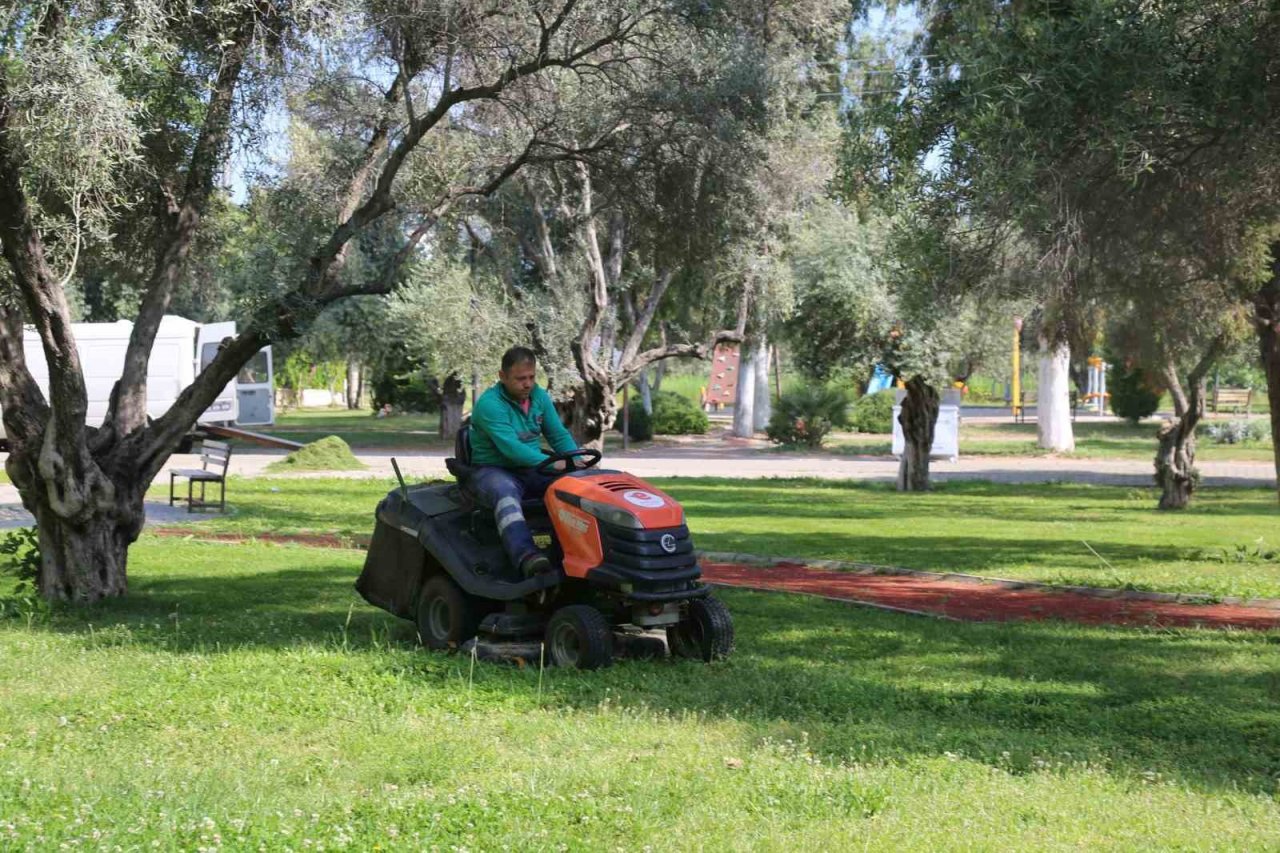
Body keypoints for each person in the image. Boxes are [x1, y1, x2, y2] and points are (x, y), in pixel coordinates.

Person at [468, 346, 583, 577]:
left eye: (531, 377)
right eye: (520, 379)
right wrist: (554, 464)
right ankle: (527, 557)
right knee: (505, 492)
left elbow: (558, 435)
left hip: (531, 467)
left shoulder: (539, 396)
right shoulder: (490, 404)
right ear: (502, 376)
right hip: (492, 469)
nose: (528, 384)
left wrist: (575, 463)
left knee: (575, 487)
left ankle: (580, 551)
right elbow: (512, 450)